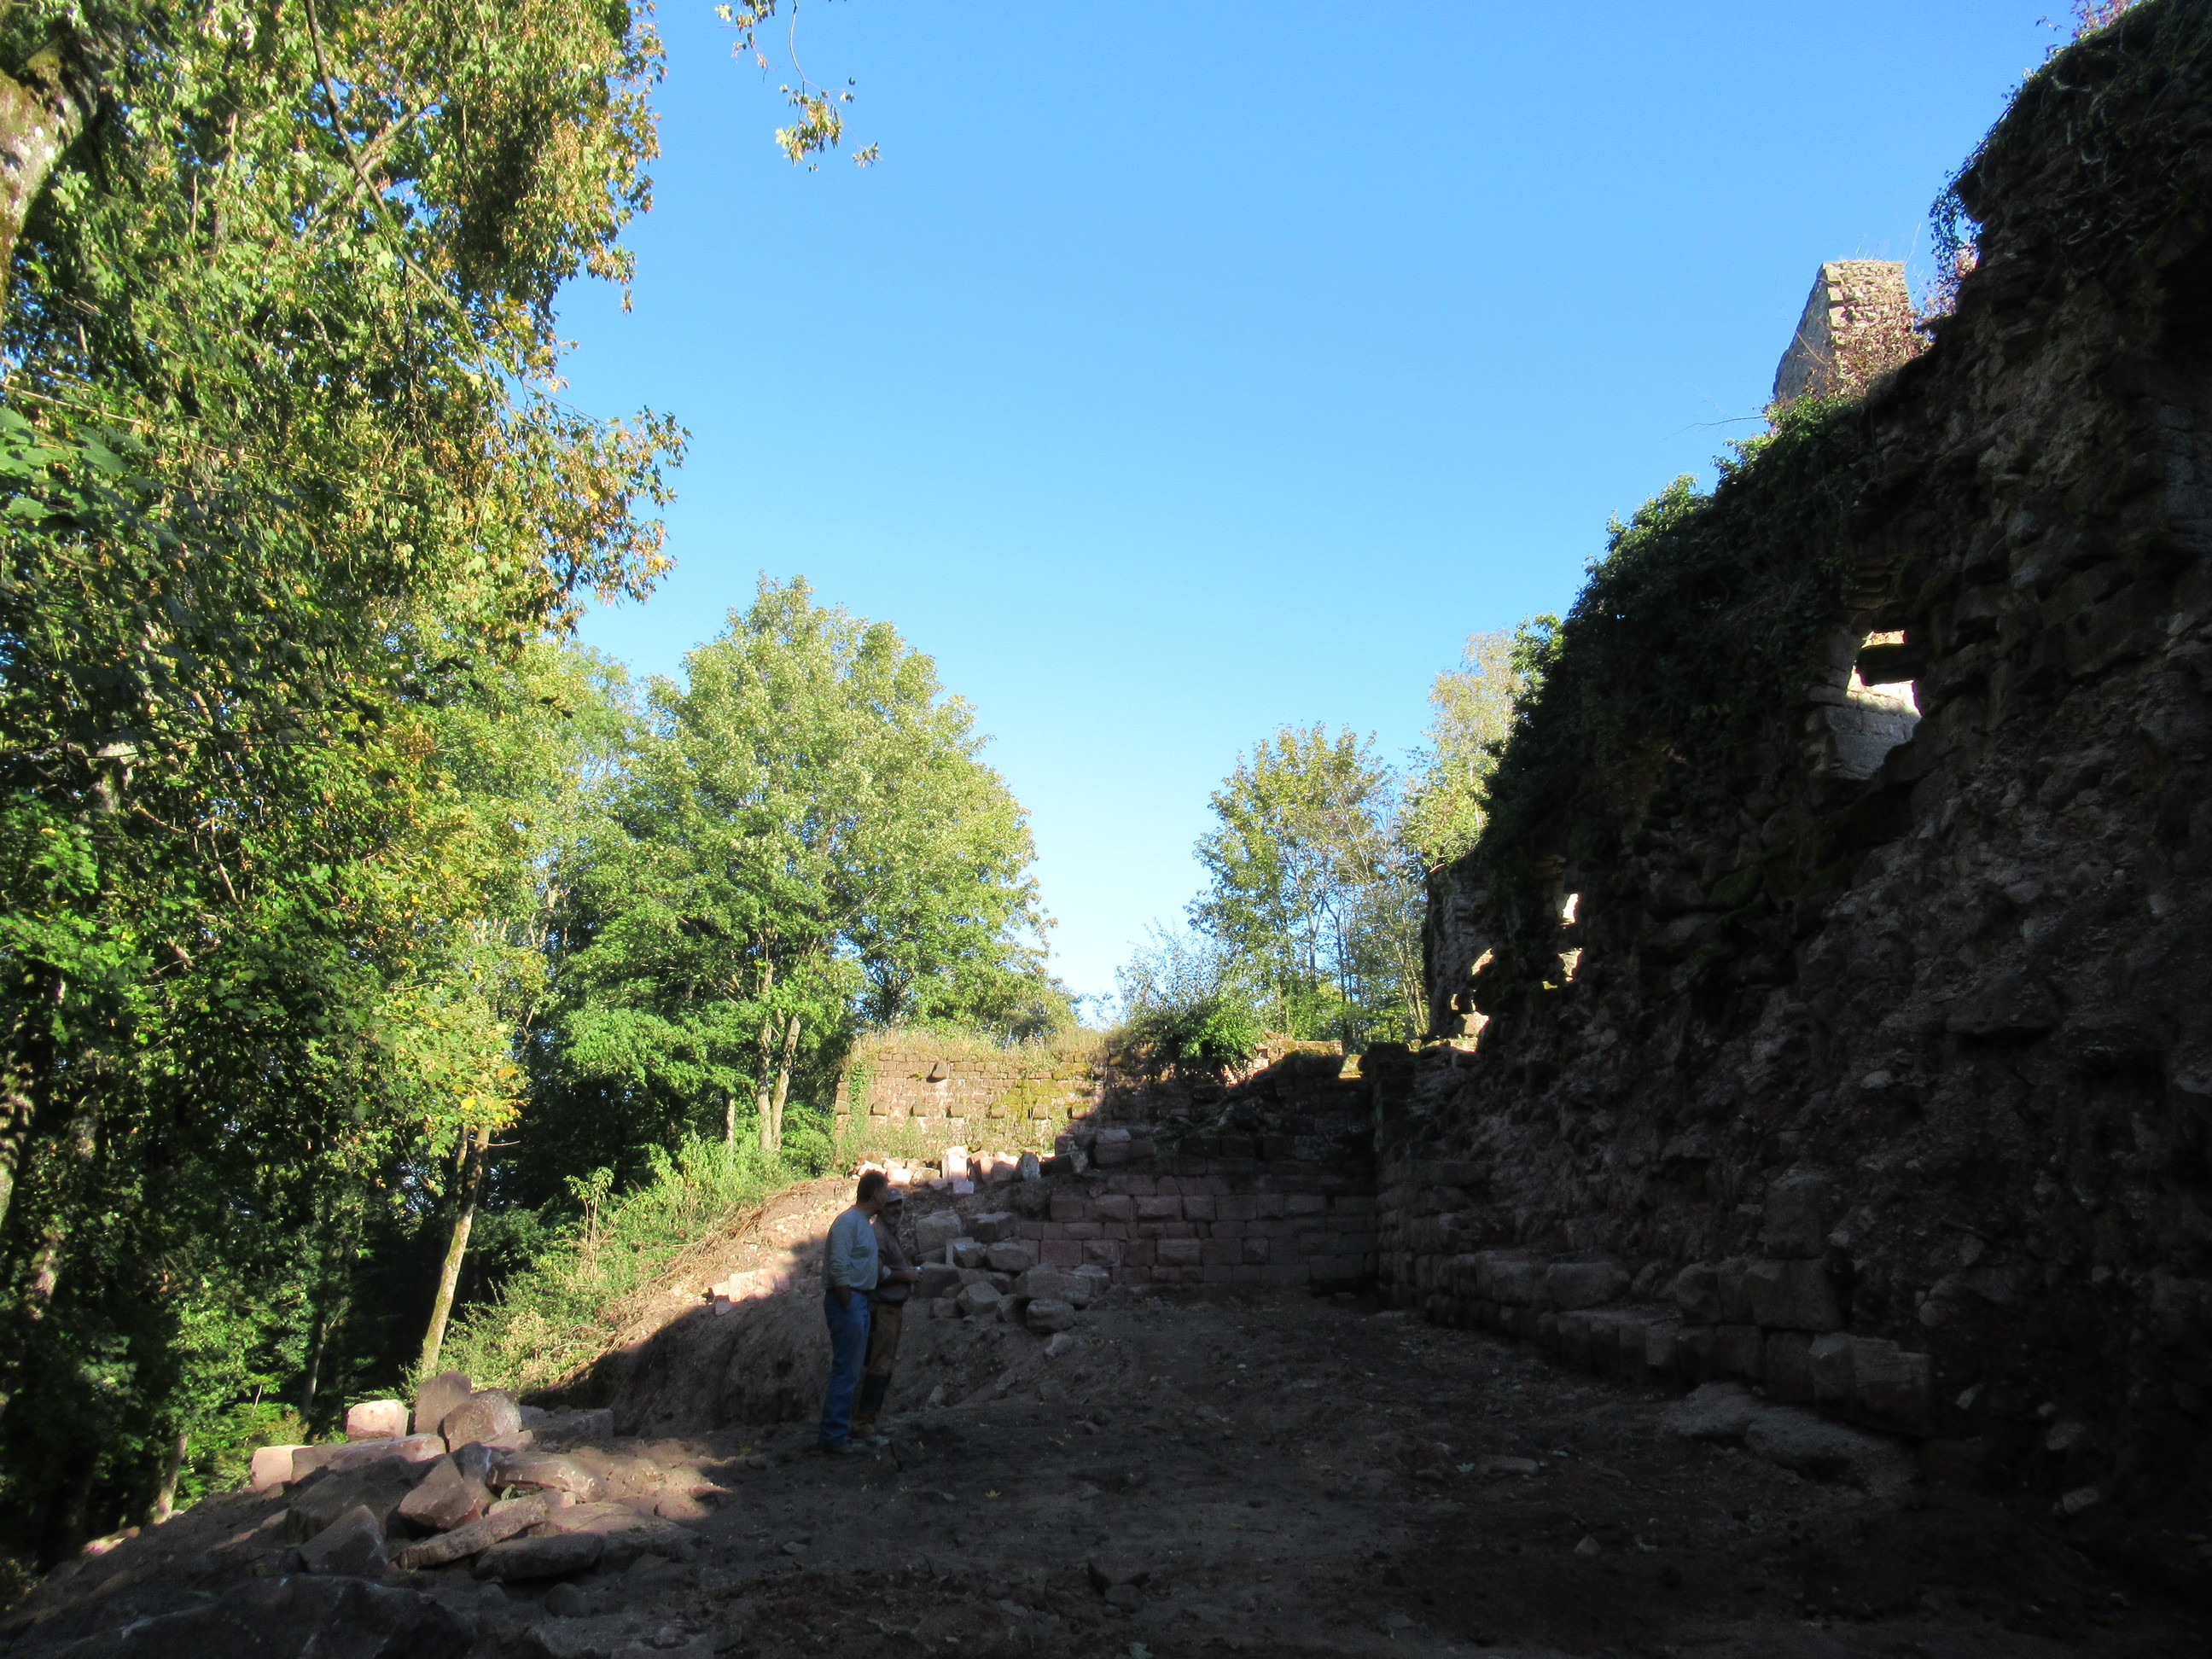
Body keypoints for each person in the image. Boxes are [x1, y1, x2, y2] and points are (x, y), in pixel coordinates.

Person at [818, 1169, 888, 1454]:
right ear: (876, 1193)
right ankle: (833, 1437)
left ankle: (839, 1431)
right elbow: (838, 1265)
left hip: (859, 1300)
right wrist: (848, 1300)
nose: (888, 1197)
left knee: (851, 1369)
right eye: (886, 1191)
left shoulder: (863, 1223)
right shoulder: (848, 1223)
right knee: (846, 1370)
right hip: (848, 1302)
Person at [852, 1185, 921, 1443]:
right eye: (892, 1204)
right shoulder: (879, 1234)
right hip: (882, 1310)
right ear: (881, 1208)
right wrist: (905, 1276)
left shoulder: (889, 1233)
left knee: (882, 1365)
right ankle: (863, 1423)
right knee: (878, 1366)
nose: (897, 1209)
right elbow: (876, 1272)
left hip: (890, 1310)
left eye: (899, 1204)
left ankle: (869, 1420)